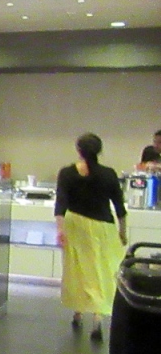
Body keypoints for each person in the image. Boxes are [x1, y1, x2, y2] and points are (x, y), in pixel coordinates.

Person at [56, 133, 127, 341]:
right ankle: (98, 317)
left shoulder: (67, 173)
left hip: (75, 226)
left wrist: (60, 230)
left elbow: (60, 205)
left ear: (78, 150)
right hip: (102, 227)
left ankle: (78, 312)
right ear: (99, 150)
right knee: (101, 270)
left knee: (77, 269)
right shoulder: (108, 174)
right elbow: (119, 207)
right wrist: (122, 232)